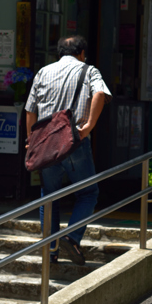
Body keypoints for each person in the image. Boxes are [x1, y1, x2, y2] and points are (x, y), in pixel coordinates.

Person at [24, 35, 111, 266]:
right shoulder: (89, 70)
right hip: (74, 141)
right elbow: (100, 94)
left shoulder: (43, 72)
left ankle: (50, 251)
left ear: (59, 53)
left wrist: (31, 139)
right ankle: (72, 238)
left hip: (45, 145)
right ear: (81, 53)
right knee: (88, 193)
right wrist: (88, 126)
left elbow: (30, 109)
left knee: (49, 196)